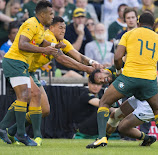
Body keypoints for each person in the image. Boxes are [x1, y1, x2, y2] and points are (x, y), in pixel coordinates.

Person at [6, 16, 102, 146]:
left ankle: (11, 129)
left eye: (65, 28)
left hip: (32, 72)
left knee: (45, 110)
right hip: (22, 67)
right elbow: (62, 59)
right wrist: (86, 68)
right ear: (51, 28)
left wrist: (92, 62)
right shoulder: (48, 36)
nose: (63, 31)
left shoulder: (62, 41)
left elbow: (77, 55)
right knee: (28, 96)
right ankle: (31, 135)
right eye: (60, 27)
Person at [86, 12, 158, 150]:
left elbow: (117, 57)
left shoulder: (129, 34)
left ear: (138, 23)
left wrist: (119, 72)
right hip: (148, 82)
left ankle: (102, 138)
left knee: (105, 102)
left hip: (129, 78)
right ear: (154, 26)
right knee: (157, 110)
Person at [0, 1, 63, 146]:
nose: (53, 17)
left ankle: (4, 127)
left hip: (21, 63)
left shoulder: (39, 26)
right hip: (15, 61)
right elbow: (22, 44)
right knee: (24, 96)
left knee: (33, 94)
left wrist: (54, 45)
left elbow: (41, 42)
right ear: (42, 14)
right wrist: (44, 50)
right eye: (51, 14)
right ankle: (20, 134)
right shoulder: (31, 24)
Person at [88, 65, 158, 146]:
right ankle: (103, 139)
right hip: (137, 98)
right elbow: (117, 101)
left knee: (122, 128)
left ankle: (152, 140)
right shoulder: (112, 81)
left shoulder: (119, 67)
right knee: (114, 116)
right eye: (101, 82)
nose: (103, 80)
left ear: (102, 70)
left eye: (100, 78)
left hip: (148, 102)